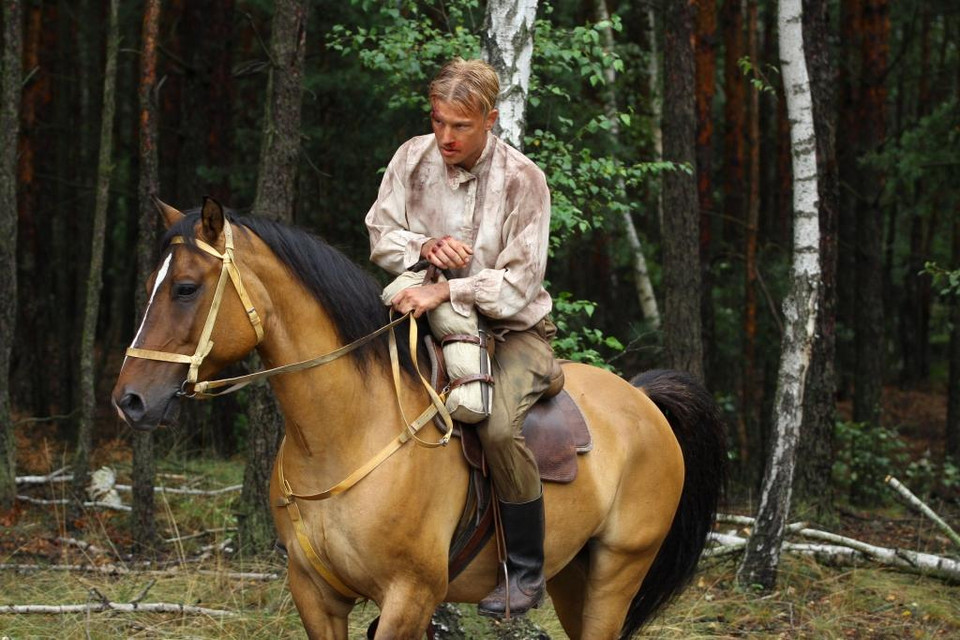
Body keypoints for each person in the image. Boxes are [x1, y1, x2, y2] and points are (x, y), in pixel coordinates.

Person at [364, 58, 557, 618]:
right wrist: (425, 248)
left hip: (513, 331)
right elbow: (380, 233)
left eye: (461, 126)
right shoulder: (411, 156)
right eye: (438, 121)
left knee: (495, 427)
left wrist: (448, 292)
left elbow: (522, 282)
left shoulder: (524, 179)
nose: (445, 136)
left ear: (491, 119)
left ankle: (525, 571)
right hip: (421, 318)